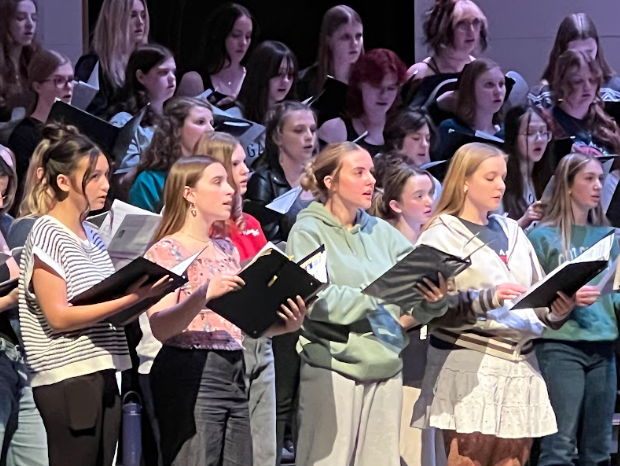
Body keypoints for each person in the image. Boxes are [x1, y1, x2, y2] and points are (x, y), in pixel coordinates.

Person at [411, 142, 591, 466]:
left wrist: (557, 311)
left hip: (521, 364)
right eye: (490, 177)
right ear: (464, 181)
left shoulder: (512, 230)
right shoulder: (440, 235)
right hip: (469, 363)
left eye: (504, 177)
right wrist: (485, 299)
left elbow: (537, 297)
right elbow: (433, 310)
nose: (501, 185)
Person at [286, 142, 455, 465]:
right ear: (329, 181)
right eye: (358, 172)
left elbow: (413, 294)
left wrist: (434, 301)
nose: (370, 181)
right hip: (332, 368)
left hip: (386, 367)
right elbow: (318, 299)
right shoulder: (307, 230)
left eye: (371, 173)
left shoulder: (381, 231)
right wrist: (378, 297)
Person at [18, 124, 170, 466]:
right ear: (64, 182)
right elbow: (58, 316)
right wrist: (130, 299)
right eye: (94, 177)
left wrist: (147, 295)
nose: (106, 184)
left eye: (107, 175)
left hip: (102, 370)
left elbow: (107, 309)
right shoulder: (47, 231)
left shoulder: (93, 236)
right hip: (68, 377)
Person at [144, 155, 306, 465]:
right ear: (189, 193)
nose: (229, 190)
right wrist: (202, 295)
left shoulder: (226, 248)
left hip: (234, 367)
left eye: (227, 182)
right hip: (191, 370)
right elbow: (161, 327)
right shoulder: (165, 250)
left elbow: (236, 323)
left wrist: (283, 325)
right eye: (217, 182)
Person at [193, 131, 278, 466]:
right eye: (236, 164)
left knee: (264, 449)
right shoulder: (203, 228)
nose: (246, 171)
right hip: (221, 343)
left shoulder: (251, 223)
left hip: (261, 340)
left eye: (246, 162)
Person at [527, 153, 617, 466]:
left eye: (600, 179)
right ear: (567, 186)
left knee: (599, 448)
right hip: (561, 347)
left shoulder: (610, 237)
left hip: (604, 348)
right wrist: (564, 300)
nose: (597, 186)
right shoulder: (541, 237)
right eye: (588, 179)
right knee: (560, 446)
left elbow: (614, 297)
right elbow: (532, 298)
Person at [370, 162, 443, 466]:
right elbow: (390, 317)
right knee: (408, 451)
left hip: (435, 361)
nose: (428, 202)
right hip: (405, 363)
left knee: (432, 454)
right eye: (419, 196)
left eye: (430, 194)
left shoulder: (434, 243)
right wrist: (430, 307)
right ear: (396, 205)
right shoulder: (384, 248)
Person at [0, 143, 48, 466]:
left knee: (36, 456)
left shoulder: (11, 227)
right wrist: (12, 297)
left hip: (24, 353)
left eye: (3, 194)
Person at [244, 101, 317, 242]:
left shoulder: (323, 176)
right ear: (277, 137)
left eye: (312, 130)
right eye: (298, 130)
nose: (309, 136)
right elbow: (265, 240)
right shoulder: (263, 181)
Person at [8, 49, 73, 209]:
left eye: (71, 79)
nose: (68, 87)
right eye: (59, 80)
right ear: (38, 86)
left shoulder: (74, 129)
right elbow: (21, 193)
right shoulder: (23, 135)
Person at [126, 97, 214, 211]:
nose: (211, 130)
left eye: (211, 123)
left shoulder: (214, 176)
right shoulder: (150, 182)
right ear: (176, 128)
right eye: (200, 122)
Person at [318, 48, 407, 157]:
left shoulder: (404, 131)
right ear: (359, 84)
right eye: (376, 86)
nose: (384, 95)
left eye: (391, 88)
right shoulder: (334, 130)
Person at [529, 13, 620, 111]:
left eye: (589, 51)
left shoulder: (615, 90)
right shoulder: (541, 95)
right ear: (562, 53)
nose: (584, 58)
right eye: (576, 53)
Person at [75, 0, 150, 117]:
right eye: (132, 15)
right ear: (115, 19)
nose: (141, 22)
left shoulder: (145, 63)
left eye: (143, 15)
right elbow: (88, 116)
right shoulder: (93, 63)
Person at [109, 43, 177, 173]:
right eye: (163, 72)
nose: (172, 78)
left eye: (173, 72)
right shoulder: (124, 121)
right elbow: (121, 181)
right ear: (141, 76)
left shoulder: (172, 119)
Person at [543, 50, 620, 158]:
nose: (587, 87)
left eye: (592, 80)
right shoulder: (546, 124)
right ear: (561, 85)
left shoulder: (607, 124)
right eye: (578, 81)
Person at [177, 3, 256, 104]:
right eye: (236, 35)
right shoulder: (194, 80)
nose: (243, 43)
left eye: (248, 36)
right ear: (219, 35)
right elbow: (179, 118)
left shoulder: (254, 79)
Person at [433, 58, 506, 162]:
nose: (498, 92)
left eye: (501, 84)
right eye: (489, 85)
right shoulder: (450, 129)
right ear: (470, 89)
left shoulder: (506, 132)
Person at [501, 105, 552, 229]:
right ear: (513, 137)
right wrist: (523, 221)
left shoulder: (548, 177)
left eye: (544, 132)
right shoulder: (500, 179)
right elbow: (495, 236)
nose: (539, 139)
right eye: (530, 133)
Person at [297, 5, 364, 99]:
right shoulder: (303, 82)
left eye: (358, 36)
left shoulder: (369, 81)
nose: (355, 44)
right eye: (346, 37)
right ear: (328, 40)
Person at [375, 108, 442, 198]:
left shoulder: (433, 184)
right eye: (416, 138)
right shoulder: (374, 174)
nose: (425, 145)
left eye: (428, 139)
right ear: (396, 142)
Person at [0, 0, 40, 123]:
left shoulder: (34, 60)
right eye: (20, 18)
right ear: (4, 22)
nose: (30, 24)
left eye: (34, 18)